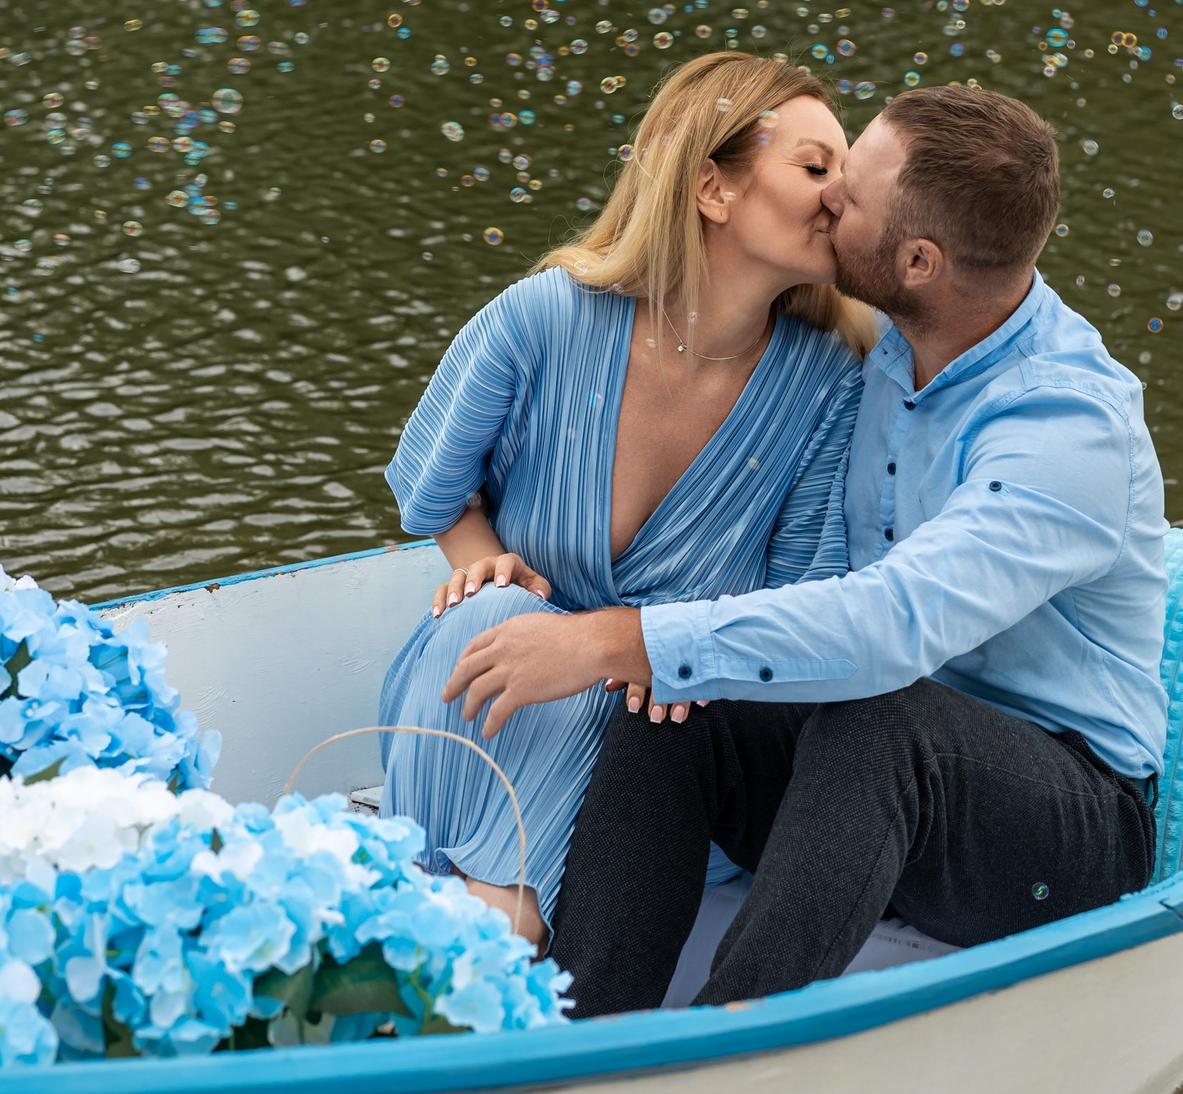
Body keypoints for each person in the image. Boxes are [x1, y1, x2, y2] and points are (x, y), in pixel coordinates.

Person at [437, 84, 1167, 1011]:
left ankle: (727, 1045)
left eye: (849, 194)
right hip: (872, 779)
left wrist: (612, 635)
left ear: (917, 260)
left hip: (1063, 822)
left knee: (865, 711)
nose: (828, 199)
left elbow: (894, 624)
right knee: (678, 698)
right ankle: (583, 1024)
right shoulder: (890, 349)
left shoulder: (1067, 427)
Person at [376, 52, 877, 950]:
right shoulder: (543, 318)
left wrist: (665, 656)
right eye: (815, 167)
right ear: (712, 189)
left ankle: (480, 938)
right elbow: (433, 488)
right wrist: (480, 553)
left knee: (637, 719)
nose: (843, 195)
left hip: (666, 732)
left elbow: (804, 603)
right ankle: (463, 925)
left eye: (845, 172)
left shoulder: (830, 386)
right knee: (481, 616)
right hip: (501, 686)